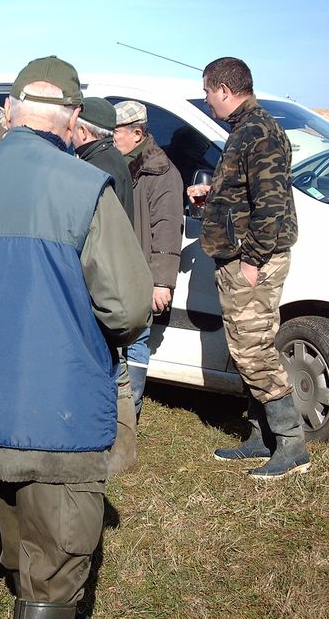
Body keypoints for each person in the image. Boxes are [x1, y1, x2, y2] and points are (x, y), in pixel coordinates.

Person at [0, 56, 151, 617]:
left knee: (18, 555)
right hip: (63, 424)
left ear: (12, 113)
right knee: (56, 579)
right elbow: (128, 308)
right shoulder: (89, 188)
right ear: (70, 118)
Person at [187, 56, 305, 479]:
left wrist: (253, 261)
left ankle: (291, 445)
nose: (206, 100)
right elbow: (248, 192)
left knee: (253, 349)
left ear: (223, 89)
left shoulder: (258, 131)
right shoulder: (246, 130)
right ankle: (262, 435)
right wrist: (212, 195)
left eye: (206, 91)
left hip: (252, 260)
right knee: (244, 345)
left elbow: (272, 206)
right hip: (237, 256)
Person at [74, 95, 139, 476]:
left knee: (114, 371)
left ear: (84, 130)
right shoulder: (114, 158)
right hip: (114, 271)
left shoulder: (96, 167)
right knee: (117, 367)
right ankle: (120, 449)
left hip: (103, 275)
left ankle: (119, 452)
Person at [112, 99, 184, 420]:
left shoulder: (161, 172)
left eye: (116, 131)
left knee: (138, 342)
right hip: (115, 271)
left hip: (139, 276)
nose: (110, 136)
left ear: (137, 133)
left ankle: (130, 415)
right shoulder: (113, 163)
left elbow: (167, 229)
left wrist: (162, 282)